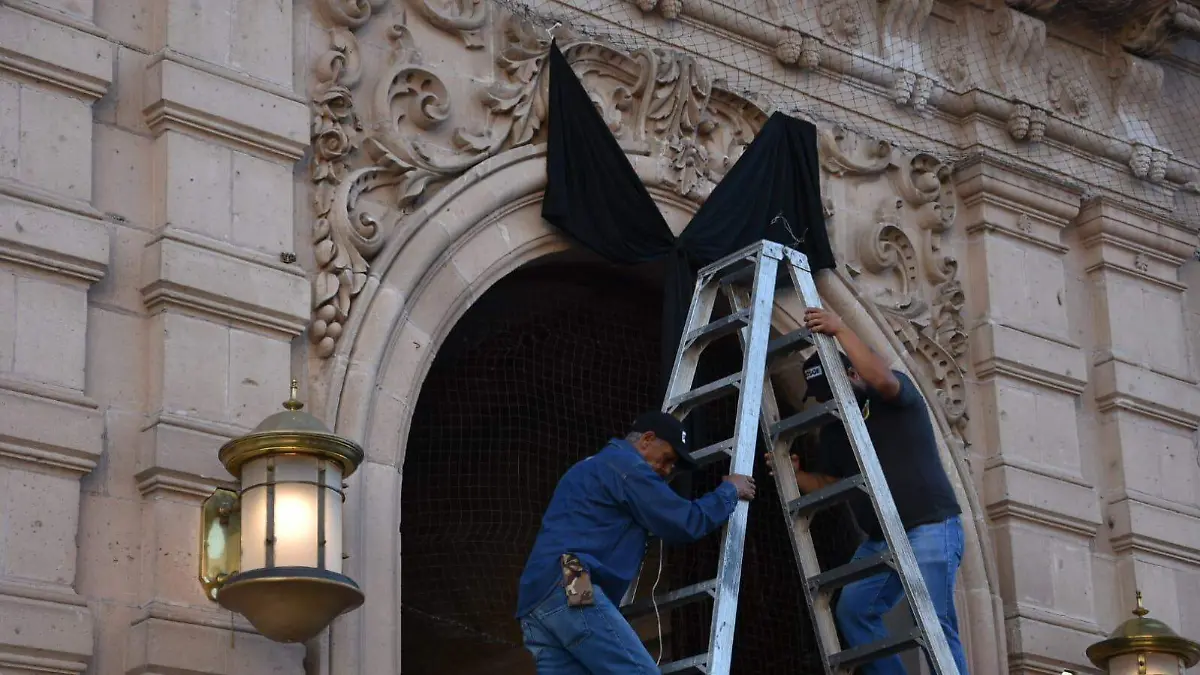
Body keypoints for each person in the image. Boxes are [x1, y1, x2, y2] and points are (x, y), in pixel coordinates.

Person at [780, 307, 968, 675]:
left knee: (935, 622)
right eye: (820, 396)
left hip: (929, 524)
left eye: (832, 389)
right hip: (882, 538)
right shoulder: (834, 431)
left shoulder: (891, 396)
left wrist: (840, 330)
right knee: (853, 611)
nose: (827, 401)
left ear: (852, 374)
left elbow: (881, 379)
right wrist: (796, 475)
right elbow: (834, 483)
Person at [516, 411, 756, 674]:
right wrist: (729, 491)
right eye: (666, 460)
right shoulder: (627, 467)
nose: (666, 471)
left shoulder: (592, 466)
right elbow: (686, 522)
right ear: (647, 439)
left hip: (534, 599)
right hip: (571, 574)